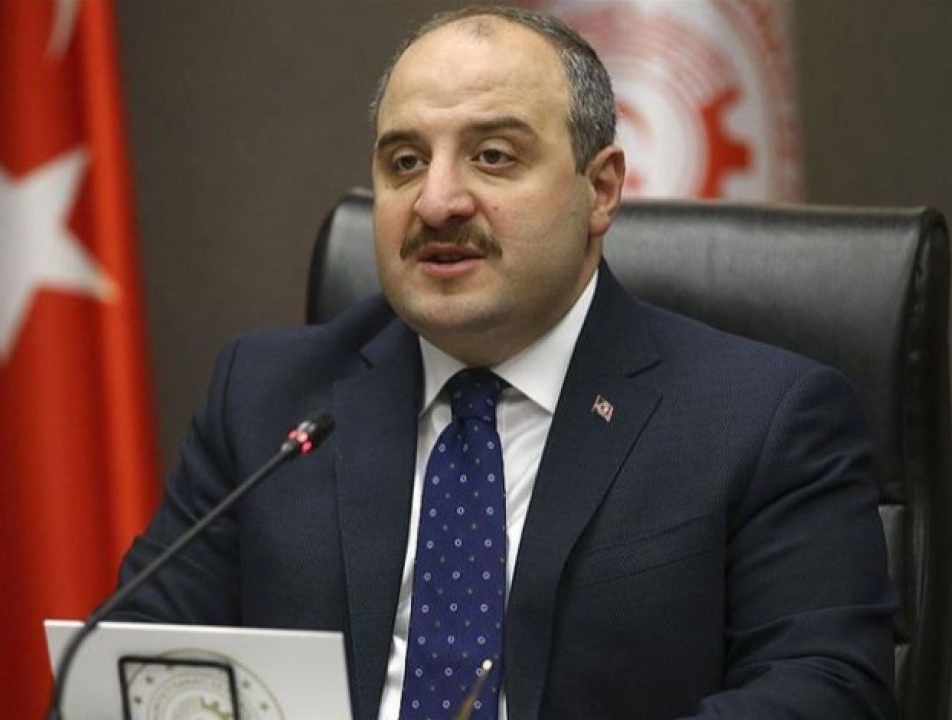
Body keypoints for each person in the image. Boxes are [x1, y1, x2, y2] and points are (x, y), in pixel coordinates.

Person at [112, 6, 896, 719]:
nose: (436, 202)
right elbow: (131, 670)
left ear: (601, 190)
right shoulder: (268, 399)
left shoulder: (761, 418)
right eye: (405, 162)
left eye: (492, 156)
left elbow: (828, 693)